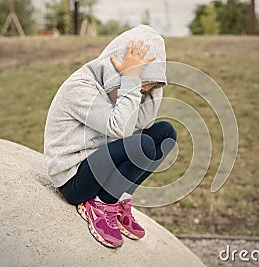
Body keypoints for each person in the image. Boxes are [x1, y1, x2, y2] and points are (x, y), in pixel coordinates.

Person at [44, 24, 177, 248]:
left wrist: (152, 87)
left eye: (143, 91)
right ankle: (101, 205)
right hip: (74, 179)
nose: (138, 94)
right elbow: (122, 131)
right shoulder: (80, 87)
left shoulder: (125, 87)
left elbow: (142, 124)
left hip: (100, 165)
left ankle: (120, 197)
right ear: (117, 73)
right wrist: (132, 81)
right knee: (141, 143)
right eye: (138, 88)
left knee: (165, 133)